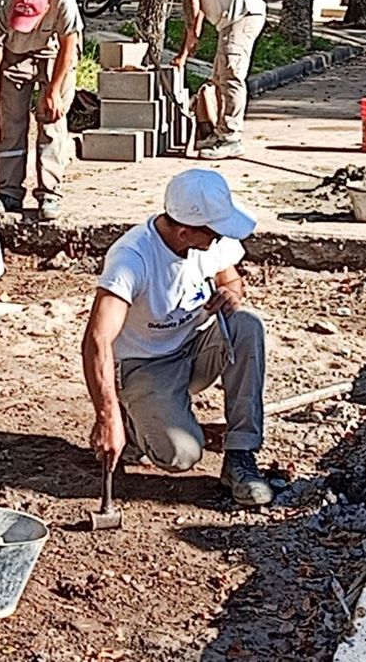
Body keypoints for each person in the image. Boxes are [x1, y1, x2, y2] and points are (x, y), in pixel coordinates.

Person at [80, 168, 273, 506]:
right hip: (144, 367)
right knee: (180, 457)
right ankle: (134, 422)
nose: (221, 239)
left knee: (246, 325)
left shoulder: (210, 240)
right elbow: (96, 340)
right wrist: (106, 417)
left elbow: (232, 281)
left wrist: (231, 294)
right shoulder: (132, 258)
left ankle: (240, 456)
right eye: (214, 233)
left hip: (193, 349)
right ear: (185, 232)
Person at [0, 0, 83, 221]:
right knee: (11, 122)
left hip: (55, 53)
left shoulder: (63, 0)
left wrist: (53, 92)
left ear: (47, 7)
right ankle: (8, 193)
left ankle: (50, 193)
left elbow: (68, 47)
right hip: (15, 55)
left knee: (51, 121)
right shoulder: (2, 7)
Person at [157, 0, 268, 161]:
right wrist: (184, 52)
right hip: (234, 20)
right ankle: (220, 133)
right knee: (218, 77)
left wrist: (186, 47)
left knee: (231, 76)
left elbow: (191, 3)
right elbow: (195, 13)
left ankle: (231, 138)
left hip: (242, 17)